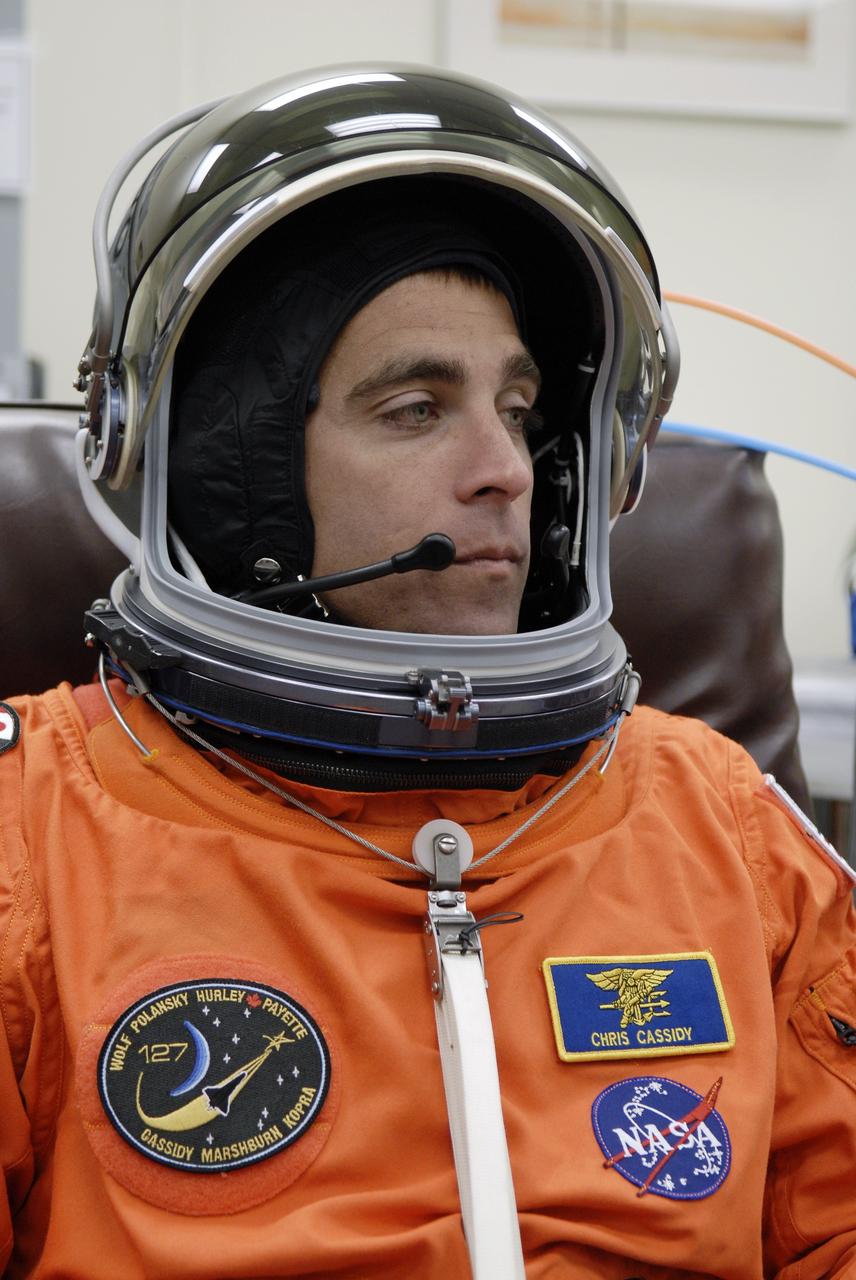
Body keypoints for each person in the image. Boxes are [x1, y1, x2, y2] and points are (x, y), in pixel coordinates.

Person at [1, 64, 854, 1280]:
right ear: (227, 467)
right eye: (414, 408)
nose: (505, 467)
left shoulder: (722, 829)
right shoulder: (33, 836)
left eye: (519, 409)